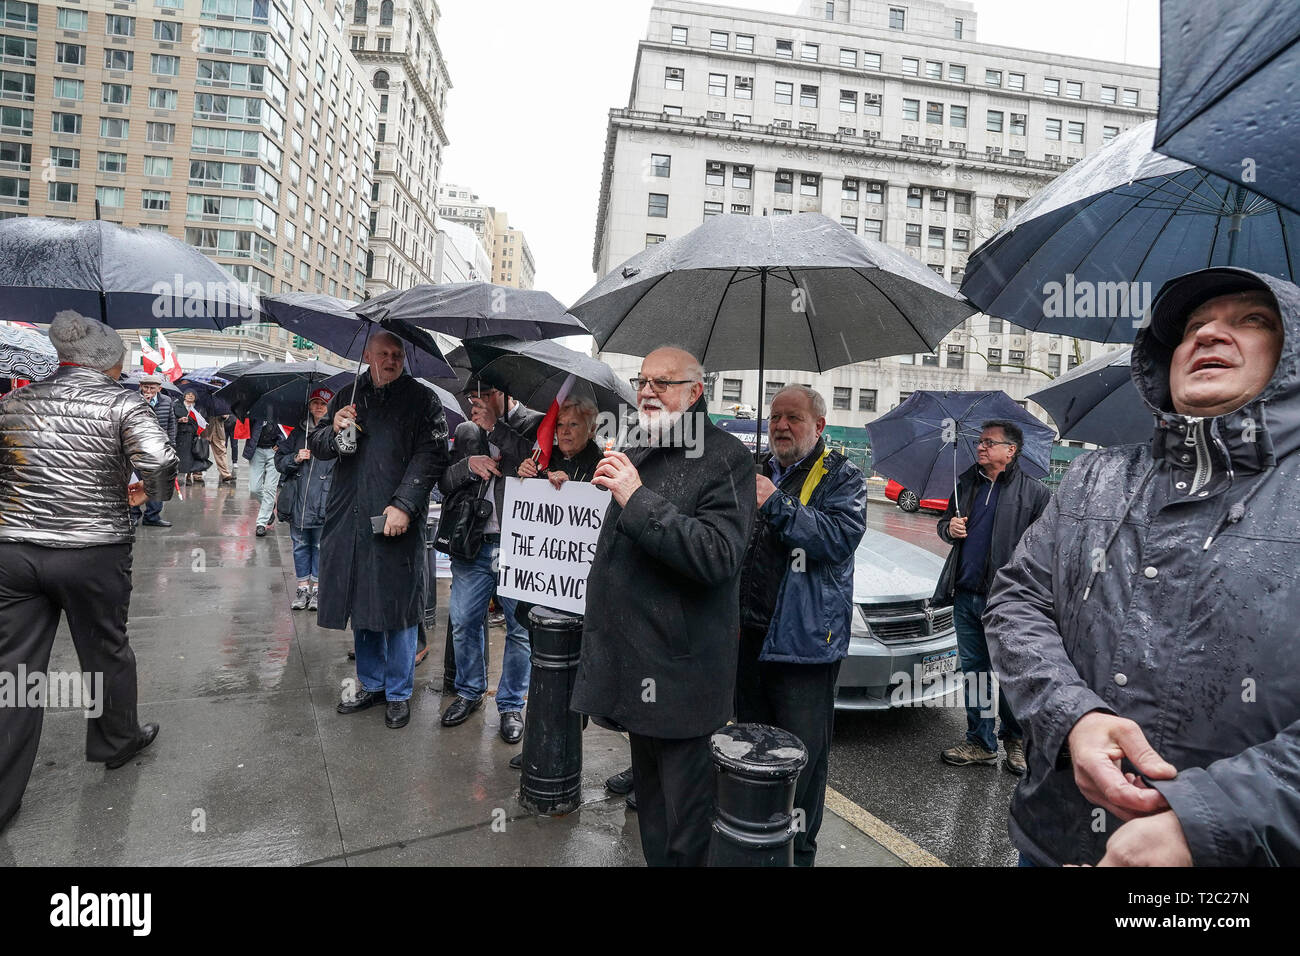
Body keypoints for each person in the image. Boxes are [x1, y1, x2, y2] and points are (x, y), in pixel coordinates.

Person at [986, 267, 1300, 867]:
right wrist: (1074, 716)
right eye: (1193, 327)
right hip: (1052, 843)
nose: (1208, 336)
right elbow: (1017, 601)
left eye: (1250, 320)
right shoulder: (1095, 477)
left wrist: (1210, 821)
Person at [572, 346, 756, 867]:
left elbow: (718, 556)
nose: (648, 391)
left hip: (682, 679)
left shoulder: (727, 458)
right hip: (635, 666)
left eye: (664, 382)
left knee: (685, 824)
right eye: (643, 380)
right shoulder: (638, 443)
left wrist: (636, 496)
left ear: (696, 392)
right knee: (651, 811)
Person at [0, 310, 177, 834]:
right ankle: (116, 741)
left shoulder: (15, 401)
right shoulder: (122, 402)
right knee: (105, 647)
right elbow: (160, 461)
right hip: (92, 550)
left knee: (14, 670)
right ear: (113, 363)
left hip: (14, 552)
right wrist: (150, 497)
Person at [735, 385, 866, 866]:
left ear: (820, 427)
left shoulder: (843, 477)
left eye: (793, 418)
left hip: (805, 647)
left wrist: (776, 503)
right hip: (749, 639)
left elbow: (837, 538)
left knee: (802, 764)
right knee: (751, 751)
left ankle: (797, 854)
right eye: (774, 418)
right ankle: (753, 842)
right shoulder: (757, 468)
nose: (781, 426)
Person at [310, 331, 449, 730]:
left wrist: (405, 505)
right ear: (368, 355)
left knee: (399, 608)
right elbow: (319, 445)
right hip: (349, 520)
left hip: (395, 521)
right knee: (363, 604)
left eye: (397, 354)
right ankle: (372, 683)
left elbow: (431, 456)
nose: (391, 360)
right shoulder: (348, 394)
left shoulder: (423, 400)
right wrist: (335, 429)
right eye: (383, 354)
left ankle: (399, 692)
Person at [933, 420, 1050, 775]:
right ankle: (981, 743)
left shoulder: (1035, 494)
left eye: (988, 442)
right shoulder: (965, 482)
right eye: (979, 441)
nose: (980, 447)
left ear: (1010, 450)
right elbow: (943, 525)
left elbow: (1047, 548)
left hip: (1009, 601)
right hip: (965, 595)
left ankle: (1015, 740)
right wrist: (949, 528)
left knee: (1012, 673)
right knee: (976, 674)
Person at [438, 379, 542, 743]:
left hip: (519, 547)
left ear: (505, 394)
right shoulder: (466, 431)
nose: (476, 403)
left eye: (485, 395)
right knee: (464, 622)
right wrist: (469, 464)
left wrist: (495, 427)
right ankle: (469, 691)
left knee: (519, 629)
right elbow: (444, 483)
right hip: (475, 544)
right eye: (472, 397)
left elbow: (541, 467)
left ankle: (511, 703)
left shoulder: (535, 423)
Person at [275, 387, 336, 611]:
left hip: (324, 500)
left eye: (323, 403)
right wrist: (295, 457)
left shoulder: (336, 432)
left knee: (321, 545)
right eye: (315, 403)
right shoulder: (298, 433)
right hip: (298, 500)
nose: (319, 407)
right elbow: (279, 460)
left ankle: (318, 589)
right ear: (309, 405)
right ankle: (302, 587)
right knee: (300, 545)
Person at [130, 374, 177, 528]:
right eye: (145, 387)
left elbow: (171, 424)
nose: (148, 390)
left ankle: (152, 516)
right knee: (135, 482)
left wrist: (171, 445)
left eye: (152, 388)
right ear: (140, 386)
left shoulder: (167, 401)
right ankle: (133, 514)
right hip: (137, 446)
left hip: (159, 448)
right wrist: (144, 405)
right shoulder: (133, 400)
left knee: (158, 481)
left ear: (159, 388)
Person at [247, 417, 282, 536]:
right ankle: (269, 505)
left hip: (274, 451)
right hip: (256, 450)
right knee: (254, 489)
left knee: (270, 488)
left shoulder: (283, 406)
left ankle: (261, 523)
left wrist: (280, 442)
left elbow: (288, 429)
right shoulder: (255, 408)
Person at [176, 389, 212, 485]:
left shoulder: (199, 408)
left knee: (190, 457)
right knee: (178, 457)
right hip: (179, 435)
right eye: (188, 394)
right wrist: (179, 420)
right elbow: (171, 418)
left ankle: (188, 475)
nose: (190, 396)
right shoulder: (176, 406)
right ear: (184, 396)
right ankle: (176, 475)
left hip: (193, 436)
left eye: (193, 394)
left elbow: (205, 421)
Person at [208, 408, 236, 484]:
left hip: (217, 430)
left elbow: (225, 416)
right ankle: (197, 474)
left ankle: (225, 474)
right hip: (204, 428)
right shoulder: (202, 400)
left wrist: (224, 416)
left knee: (221, 452)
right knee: (200, 451)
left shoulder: (220, 402)